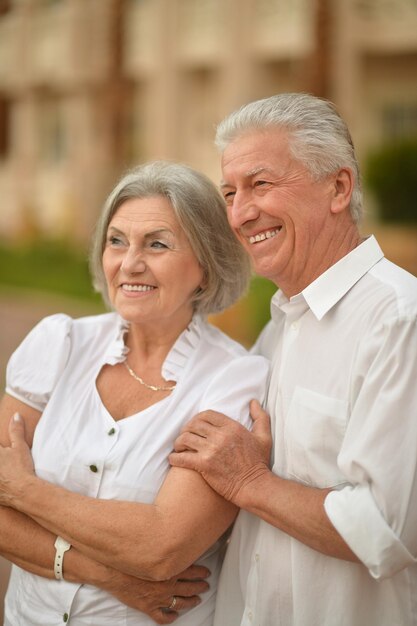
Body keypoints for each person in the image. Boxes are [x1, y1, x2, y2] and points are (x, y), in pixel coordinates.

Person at [169, 93, 417, 625]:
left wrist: (249, 482)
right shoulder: (280, 325)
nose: (239, 213)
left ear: (338, 187)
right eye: (230, 193)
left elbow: (380, 529)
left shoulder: (400, 320)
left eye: (260, 185)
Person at [0, 160, 269, 625]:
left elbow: (161, 547)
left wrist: (24, 490)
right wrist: (112, 576)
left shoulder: (232, 379)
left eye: (157, 245)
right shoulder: (60, 343)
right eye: (116, 241)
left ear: (205, 266)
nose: (129, 264)